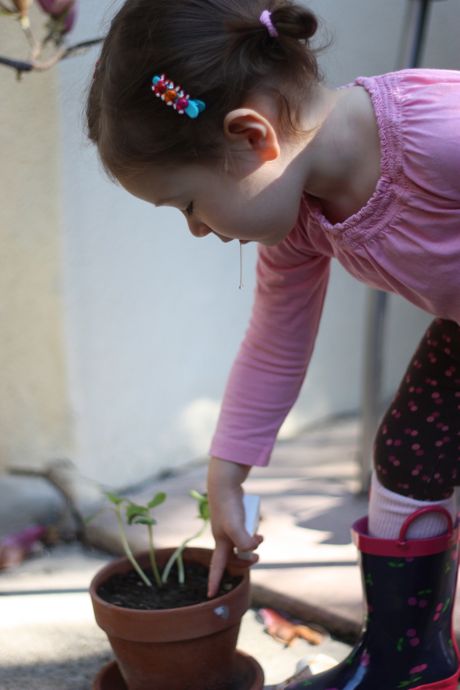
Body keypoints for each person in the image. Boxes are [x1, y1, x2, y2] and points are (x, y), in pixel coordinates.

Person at [87, 1, 460, 688]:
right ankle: (408, 663)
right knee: (410, 454)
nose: (199, 232)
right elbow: (277, 341)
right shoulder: (303, 220)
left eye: (189, 206)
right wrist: (227, 473)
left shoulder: (440, 133)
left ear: (253, 138)